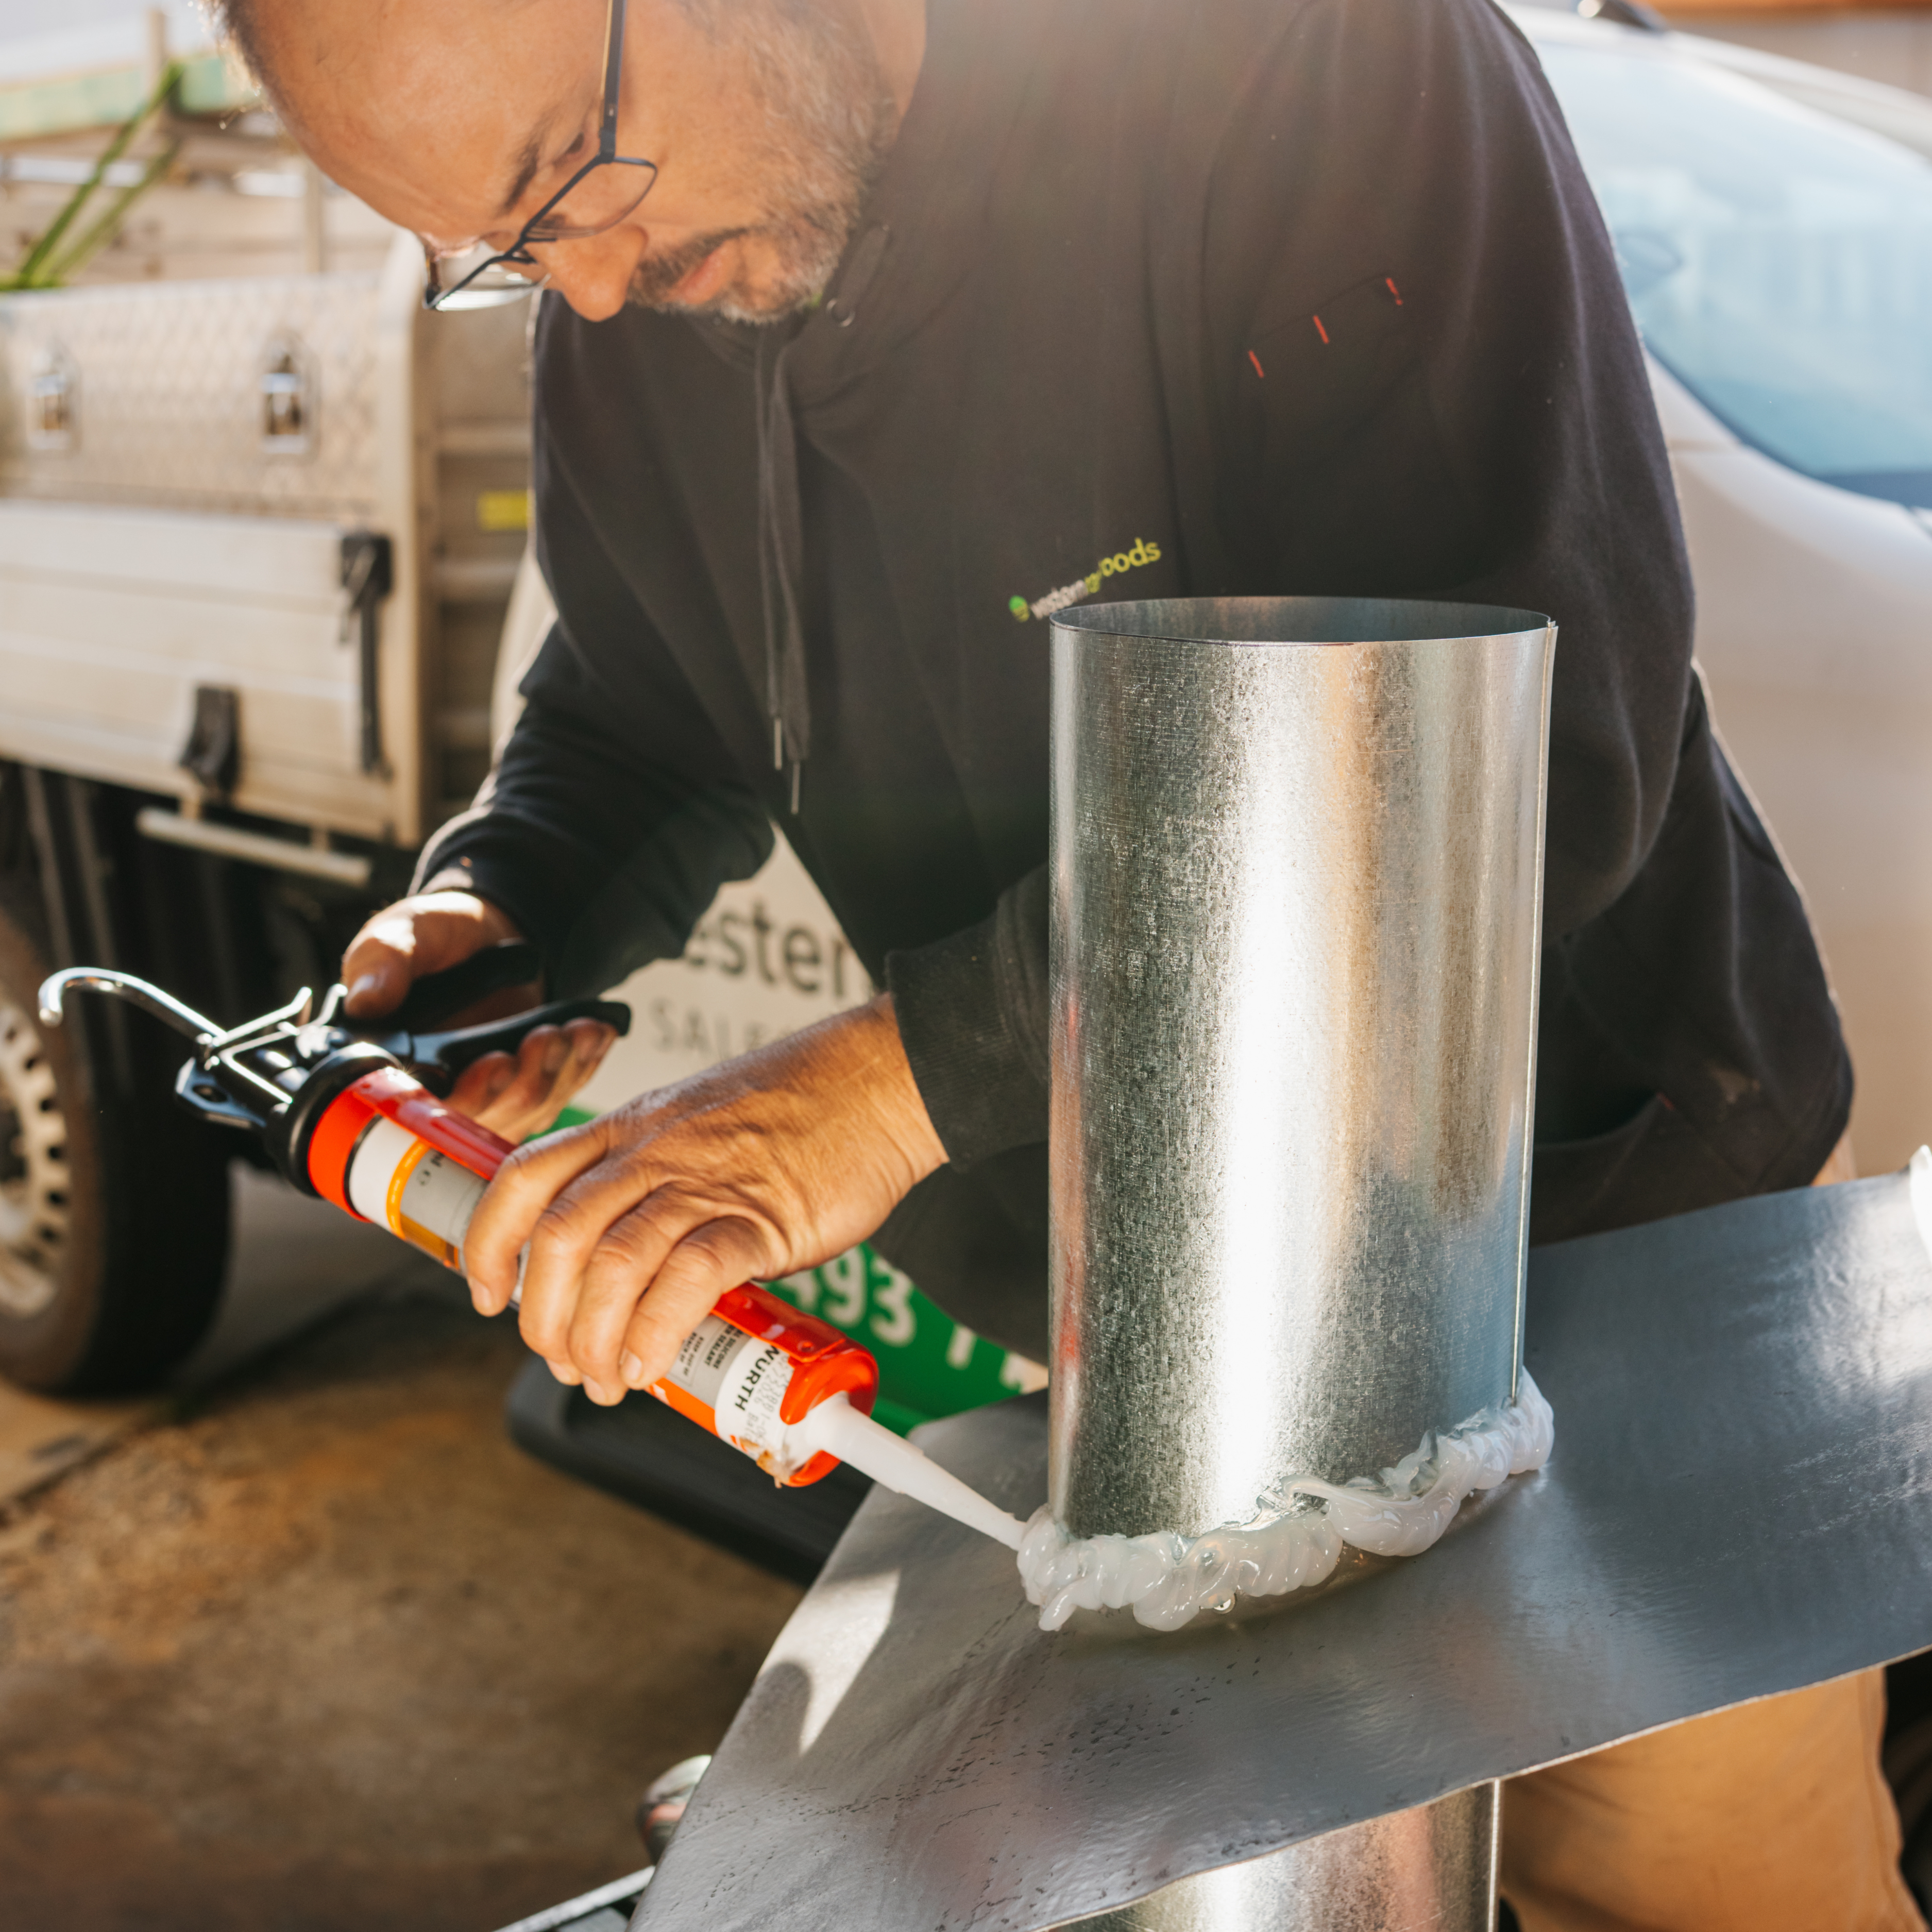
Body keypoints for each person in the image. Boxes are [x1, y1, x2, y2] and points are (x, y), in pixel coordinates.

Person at [215, 1, 1918, 1925]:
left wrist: (877, 1090)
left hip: (1580, 1286)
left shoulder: (1298, 64)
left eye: (566, 177)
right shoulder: (642, 308)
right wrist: (513, 897)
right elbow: (643, 693)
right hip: (1147, 1362)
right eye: (505, 254)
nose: (591, 295)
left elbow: (1513, 767)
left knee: (1693, 1897)